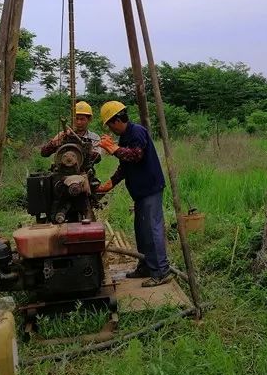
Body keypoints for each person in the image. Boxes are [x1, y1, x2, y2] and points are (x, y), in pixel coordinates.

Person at [97, 101, 172, 288]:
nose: (110, 129)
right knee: (142, 231)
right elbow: (125, 166)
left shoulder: (137, 131)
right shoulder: (124, 137)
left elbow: (136, 155)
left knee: (152, 230)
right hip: (140, 192)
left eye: (109, 124)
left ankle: (161, 272)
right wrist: (110, 183)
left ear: (116, 120)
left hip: (150, 189)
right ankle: (146, 267)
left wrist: (113, 149)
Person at [40, 101, 102, 167]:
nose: (79, 122)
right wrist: (53, 143)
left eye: (82, 119)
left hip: (84, 173)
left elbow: (97, 159)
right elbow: (44, 153)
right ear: (72, 119)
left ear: (89, 119)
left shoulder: (94, 138)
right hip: (62, 172)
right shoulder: (63, 135)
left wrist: (83, 145)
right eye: (76, 118)